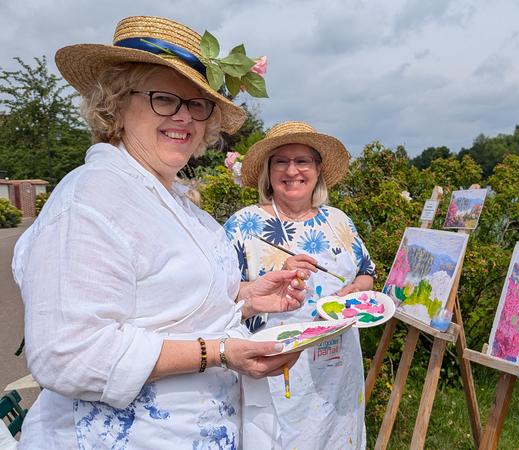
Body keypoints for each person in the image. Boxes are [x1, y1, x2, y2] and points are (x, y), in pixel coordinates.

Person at [11, 16, 309, 449]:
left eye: (197, 104)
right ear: (116, 103)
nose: (184, 117)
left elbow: (162, 302)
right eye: (164, 99)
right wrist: (221, 352)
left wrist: (245, 297)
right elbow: (68, 354)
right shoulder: (92, 199)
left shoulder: (168, 199)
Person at [226, 121, 376, 449]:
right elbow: (221, 297)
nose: (292, 170)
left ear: (318, 169)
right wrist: (272, 278)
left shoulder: (339, 221)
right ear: (268, 169)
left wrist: (355, 291)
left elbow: (367, 271)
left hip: (338, 372)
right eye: (281, 161)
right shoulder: (243, 226)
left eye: (302, 161)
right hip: (276, 370)